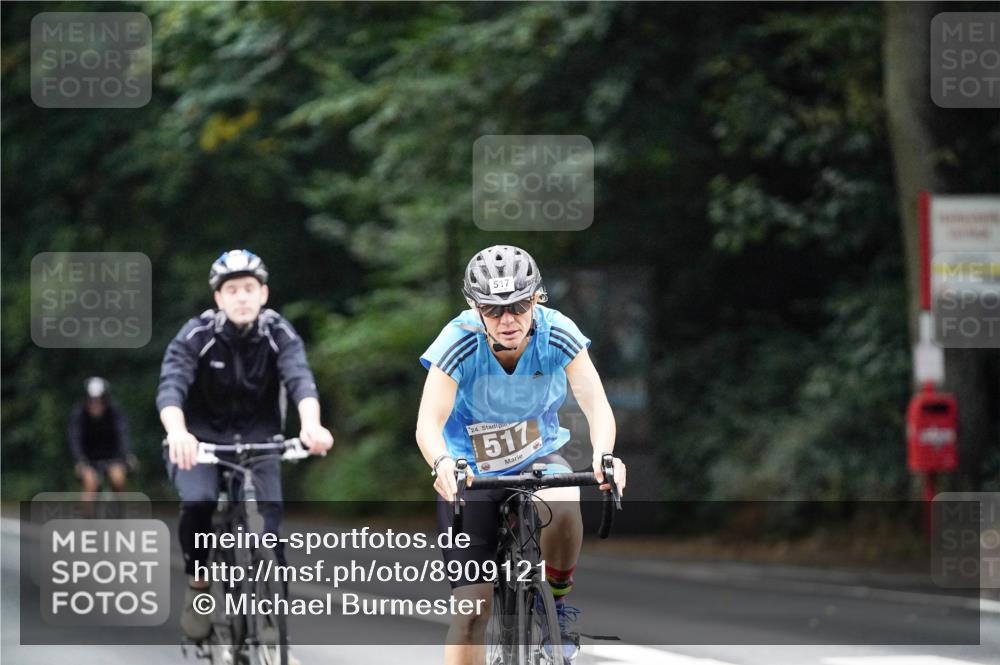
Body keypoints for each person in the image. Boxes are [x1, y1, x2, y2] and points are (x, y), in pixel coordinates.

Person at [415, 245, 627, 665]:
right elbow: (428, 423)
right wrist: (441, 463)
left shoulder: (557, 332)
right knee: (472, 613)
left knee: (565, 504)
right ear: (475, 308)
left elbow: (596, 404)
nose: (508, 320)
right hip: (469, 472)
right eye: (493, 311)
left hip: (538, 459)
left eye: (518, 305)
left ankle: (560, 604)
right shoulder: (457, 341)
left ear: (537, 298)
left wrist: (605, 456)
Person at [156, 249, 334, 644]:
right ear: (218, 298)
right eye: (231, 289)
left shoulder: (279, 333)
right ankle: (198, 583)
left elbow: (300, 380)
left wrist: (311, 425)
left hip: (260, 443)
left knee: (268, 532)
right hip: (199, 443)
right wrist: (179, 432)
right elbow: (171, 387)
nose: (241, 297)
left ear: (263, 293)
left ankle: (273, 627)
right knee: (199, 503)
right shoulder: (196, 335)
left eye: (249, 289)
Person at [68, 376, 132, 498]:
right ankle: (88, 516)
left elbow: (122, 434)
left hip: (113, 457)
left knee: (118, 480)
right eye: (92, 401)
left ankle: (121, 513)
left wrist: (125, 455)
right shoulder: (79, 414)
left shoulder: (115, 412)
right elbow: (75, 439)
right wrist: (79, 460)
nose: (95, 405)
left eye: (99, 400)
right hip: (88, 459)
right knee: (91, 485)